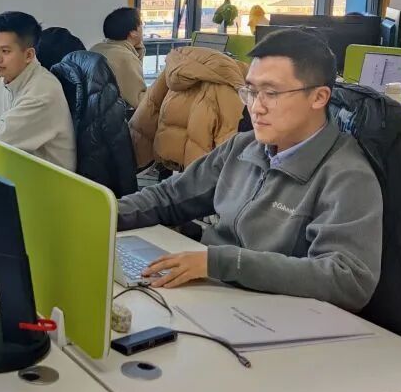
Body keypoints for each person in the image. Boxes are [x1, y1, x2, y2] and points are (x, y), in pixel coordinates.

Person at [118, 29, 383, 312]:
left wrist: (221, 263)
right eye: (251, 92)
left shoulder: (347, 175)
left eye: (271, 93)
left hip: (273, 312)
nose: (256, 108)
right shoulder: (244, 147)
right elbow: (169, 197)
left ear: (318, 97)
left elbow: (348, 278)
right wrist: (102, 214)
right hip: (214, 293)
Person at [0, 11, 77, 172]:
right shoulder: (7, 79)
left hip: (49, 182)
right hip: (21, 170)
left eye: (5, 51)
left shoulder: (42, 92)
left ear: (29, 55)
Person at [90, 7, 147, 109]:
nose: (143, 28)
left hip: (93, 112)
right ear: (133, 32)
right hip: (114, 116)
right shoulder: (124, 57)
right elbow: (140, 102)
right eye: (141, 25)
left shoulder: (96, 48)